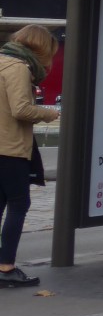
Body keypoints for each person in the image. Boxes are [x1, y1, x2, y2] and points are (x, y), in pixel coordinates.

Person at [0, 25, 61, 287]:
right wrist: (51, 113)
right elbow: (22, 110)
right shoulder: (18, 68)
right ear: (40, 48)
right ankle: (7, 268)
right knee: (19, 204)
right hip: (10, 148)